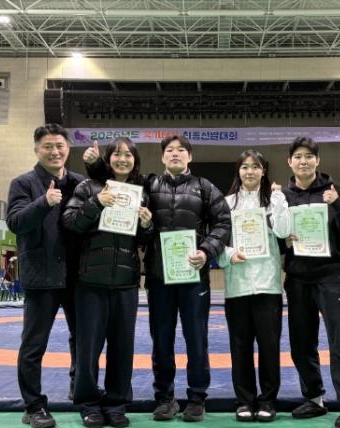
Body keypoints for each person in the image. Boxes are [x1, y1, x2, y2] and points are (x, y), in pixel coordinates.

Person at [87, 135, 231, 422]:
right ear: (163, 157)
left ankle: (196, 398)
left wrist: (207, 251)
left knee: (197, 340)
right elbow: (118, 180)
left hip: (193, 277)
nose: (175, 154)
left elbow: (223, 223)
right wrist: (94, 166)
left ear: (190, 156)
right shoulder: (149, 185)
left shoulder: (205, 187)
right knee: (161, 341)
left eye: (181, 150)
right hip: (158, 277)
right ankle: (165, 398)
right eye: (169, 150)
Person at [62, 137, 154, 428]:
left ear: (135, 161)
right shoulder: (88, 188)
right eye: (117, 154)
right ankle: (89, 404)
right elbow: (70, 222)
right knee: (88, 348)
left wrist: (147, 224)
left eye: (128, 155)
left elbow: (144, 240)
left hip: (126, 283)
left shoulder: (140, 195)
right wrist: (96, 203)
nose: (122, 159)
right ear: (108, 159)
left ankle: (116, 403)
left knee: (122, 348)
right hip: (90, 282)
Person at [272, 136, 340, 428]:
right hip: (298, 277)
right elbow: (277, 239)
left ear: (317, 160)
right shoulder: (284, 197)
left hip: (330, 276)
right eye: (298, 157)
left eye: (309, 156)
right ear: (290, 162)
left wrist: (338, 205)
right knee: (301, 342)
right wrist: (285, 240)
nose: (303, 161)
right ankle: (314, 398)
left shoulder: (334, 191)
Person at [6, 124, 84, 428]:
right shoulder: (23, 183)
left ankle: (80, 390)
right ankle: (33, 406)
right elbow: (15, 221)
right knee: (34, 345)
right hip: (41, 276)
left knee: (83, 340)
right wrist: (44, 202)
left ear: (68, 149)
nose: (55, 152)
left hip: (76, 276)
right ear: (37, 150)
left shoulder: (79, 183)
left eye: (60, 146)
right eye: (48, 146)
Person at [217, 150, 289, 422]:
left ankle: (268, 401)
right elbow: (217, 239)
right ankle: (245, 401)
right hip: (237, 285)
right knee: (240, 346)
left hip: (268, 285)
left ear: (263, 171)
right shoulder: (226, 203)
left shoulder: (273, 200)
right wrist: (228, 255)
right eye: (245, 167)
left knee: (269, 347)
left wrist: (279, 199)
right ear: (238, 171)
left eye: (255, 167)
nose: (250, 172)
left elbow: (283, 232)